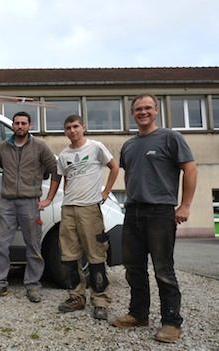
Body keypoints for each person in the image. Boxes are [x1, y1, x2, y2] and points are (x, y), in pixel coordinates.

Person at [111, 94, 197, 343]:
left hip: (160, 212)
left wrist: (185, 205)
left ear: (156, 110)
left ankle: (171, 322)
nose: (143, 112)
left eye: (148, 108)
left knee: (163, 270)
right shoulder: (128, 145)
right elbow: (130, 177)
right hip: (133, 212)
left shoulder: (171, 138)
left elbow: (190, 169)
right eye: (138, 109)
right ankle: (138, 314)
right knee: (134, 269)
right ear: (132, 113)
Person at [0, 111, 60, 303]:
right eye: (16, 123)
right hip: (6, 203)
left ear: (29, 126)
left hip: (30, 203)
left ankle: (33, 285)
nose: (19, 126)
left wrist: (49, 198)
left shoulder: (40, 147)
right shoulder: (2, 147)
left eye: (23, 123)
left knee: (33, 245)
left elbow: (56, 171)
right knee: (0, 245)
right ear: (12, 126)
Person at [55, 114, 119, 320]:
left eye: (75, 126)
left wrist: (106, 192)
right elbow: (66, 178)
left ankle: (100, 300)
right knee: (68, 255)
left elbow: (114, 167)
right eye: (68, 128)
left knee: (95, 254)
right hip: (69, 208)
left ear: (83, 127)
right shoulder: (64, 154)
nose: (72, 131)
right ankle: (76, 296)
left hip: (90, 209)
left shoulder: (96, 147)